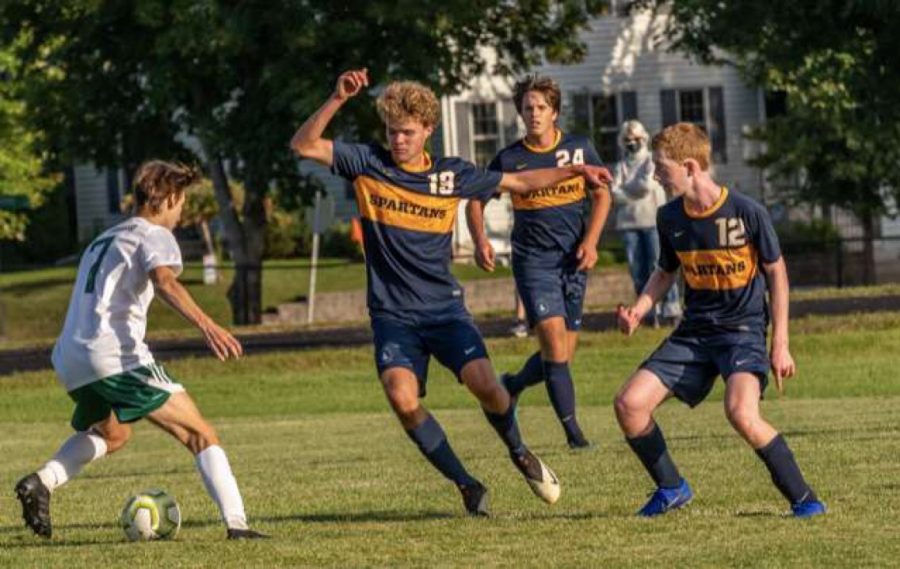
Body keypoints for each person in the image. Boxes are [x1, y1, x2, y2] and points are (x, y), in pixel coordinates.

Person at [290, 69, 611, 516]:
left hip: (445, 312)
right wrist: (336, 98)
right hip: (393, 316)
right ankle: (467, 485)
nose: (397, 140)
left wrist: (576, 169)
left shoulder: (451, 175)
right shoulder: (367, 163)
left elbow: (520, 183)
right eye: (391, 131)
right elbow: (303, 145)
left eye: (406, 132)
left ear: (428, 130)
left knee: (491, 391)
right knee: (402, 398)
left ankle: (519, 451)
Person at [15, 161, 267, 539]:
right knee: (201, 434)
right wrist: (208, 324)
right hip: (115, 356)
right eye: (181, 201)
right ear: (167, 198)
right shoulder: (154, 234)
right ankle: (238, 525)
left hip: (70, 358)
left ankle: (42, 482)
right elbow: (164, 281)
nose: (181, 212)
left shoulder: (103, 239)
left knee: (115, 435)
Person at [613, 123, 825, 518]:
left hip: (742, 333)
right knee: (629, 404)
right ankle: (672, 487)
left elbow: (777, 273)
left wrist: (780, 343)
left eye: (662, 166)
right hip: (694, 333)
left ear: (690, 167)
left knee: (741, 412)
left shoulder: (747, 212)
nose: (656, 174)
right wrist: (639, 310)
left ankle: (805, 499)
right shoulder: (669, 217)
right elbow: (664, 272)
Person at [466, 74, 612, 449]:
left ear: (555, 112)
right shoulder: (511, 158)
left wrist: (592, 242)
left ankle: (512, 385)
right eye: (527, 108)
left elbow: (602, 196)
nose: (533, 114)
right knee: (552, 340)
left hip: (574, 261)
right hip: (534, 262)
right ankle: (574, 434)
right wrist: (481, 240)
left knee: (561, 352)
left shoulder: (579, 149)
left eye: (541, 108)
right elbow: (476, 200)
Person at [612, 120, 681, 325]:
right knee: (637, 270)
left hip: (652, 221)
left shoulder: (651, 161)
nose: (632, 142)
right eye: (627, 139)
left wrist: (625, 189)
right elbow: (613, 193)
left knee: (660, 267)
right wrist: (627, 191)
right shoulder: (621, 165)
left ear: (644, 138)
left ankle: (671, 309)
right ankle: (647, 313)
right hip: (628, 225)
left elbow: (646, 185)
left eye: (636, 139)